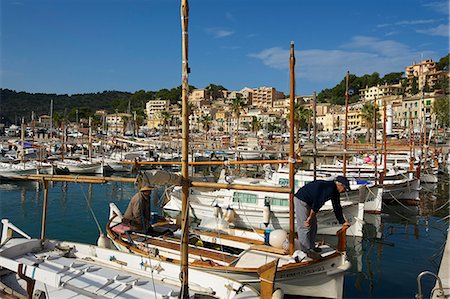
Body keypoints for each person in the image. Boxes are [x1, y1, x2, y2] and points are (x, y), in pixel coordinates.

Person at [294, 176, 351, 259]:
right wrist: (309, 218)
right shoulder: (329, 189)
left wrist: (342, 221)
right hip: (301, 199)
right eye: (345, 188)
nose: (345, 191)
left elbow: (337, 207)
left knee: (314, 225)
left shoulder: (335, 191)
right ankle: (306, 251)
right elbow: (317, 204)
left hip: (310, 202)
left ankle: (312, 247)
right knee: (305, 226)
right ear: (340, 185)